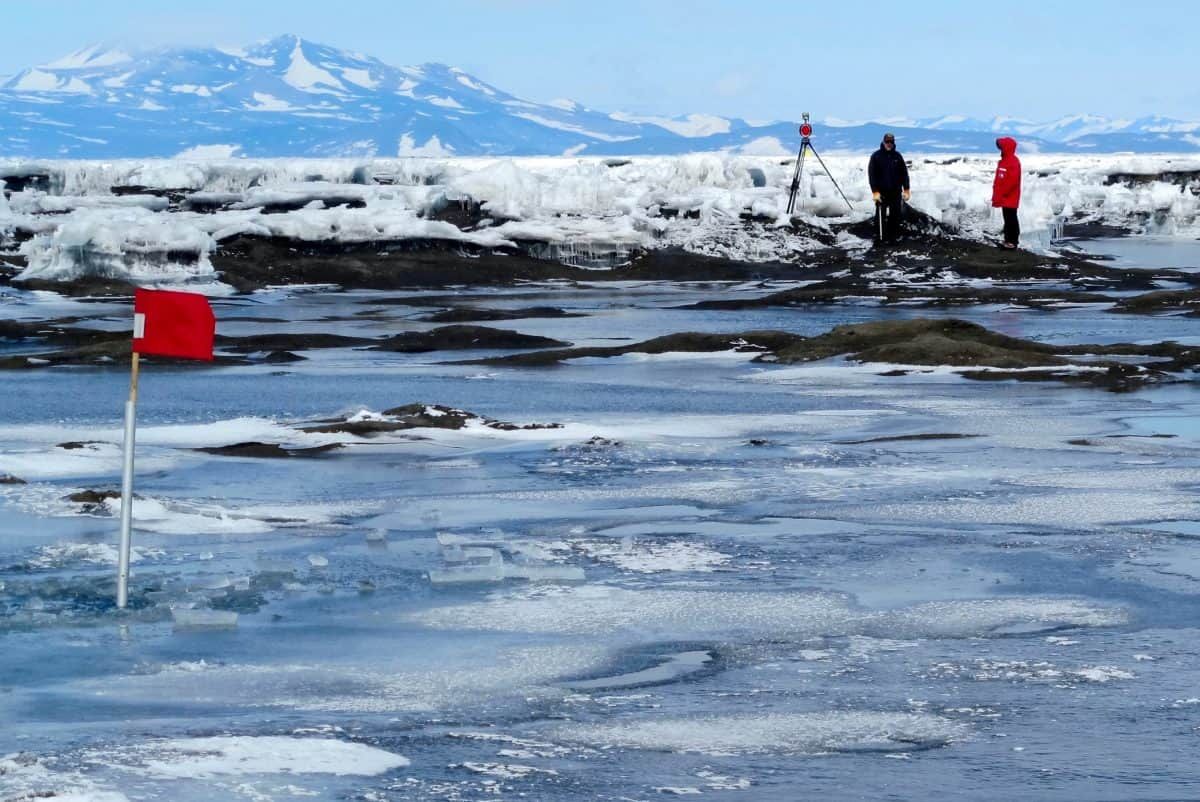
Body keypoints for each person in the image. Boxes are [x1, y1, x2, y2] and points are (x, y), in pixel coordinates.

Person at [868, 132, 910, 244]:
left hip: (895, 192)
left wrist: (906, 189)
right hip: (882, 192)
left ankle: (893, 238)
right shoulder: (876, 156)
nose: (889, 144)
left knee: (895, 216)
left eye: (891, 142)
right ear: (883, 142)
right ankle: (880, 238)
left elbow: (904, 174)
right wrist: (875, 191)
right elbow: (872, 176)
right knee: (880, 216)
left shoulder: (898, 156)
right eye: (887, 141)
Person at [992, 136, 1022, 249]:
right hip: (1004, 197)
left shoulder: (1012, 162)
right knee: (1007, 218)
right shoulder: (1004, 161)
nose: (1000, 149)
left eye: (1001, 146)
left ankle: (1012, 241)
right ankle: (1008, 240)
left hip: (1010, 196)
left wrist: (1002, 194)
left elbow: (1012, 182)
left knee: (1011, 218)